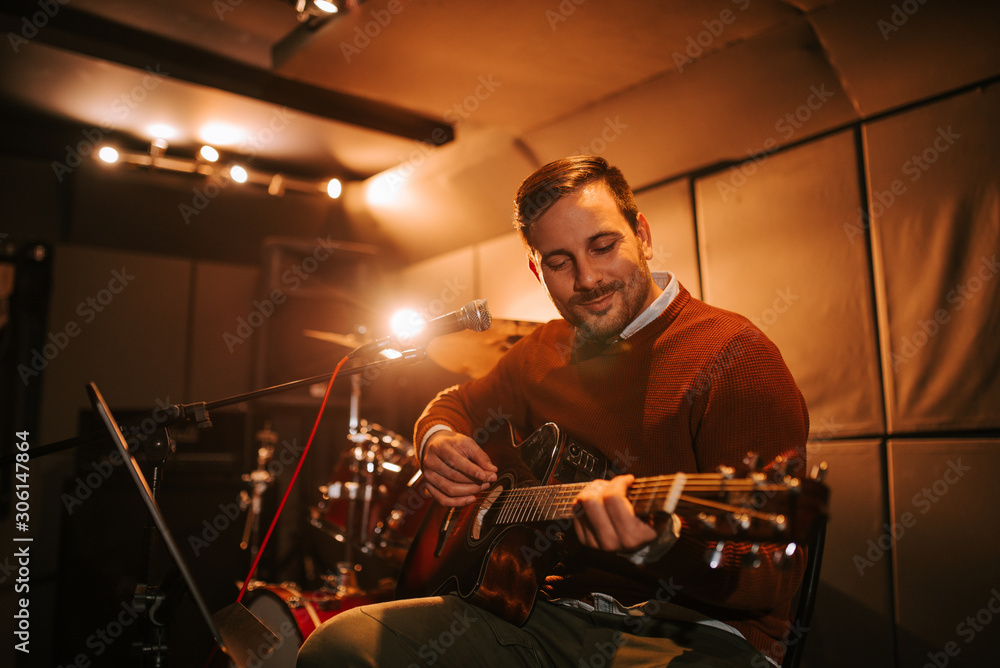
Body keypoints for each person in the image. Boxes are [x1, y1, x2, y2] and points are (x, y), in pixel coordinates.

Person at [297, 155, 810, 667]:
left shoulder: (734, 355)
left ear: (643, 236)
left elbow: (772, 575)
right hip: (546, 616)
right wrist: (435, 438)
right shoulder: (542, 351)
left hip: (692, 631)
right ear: (537, 271)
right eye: (560, 262)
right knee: (339, 647)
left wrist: (662, 548)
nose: (587, 279)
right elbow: (453, 405)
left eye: (603, 246)